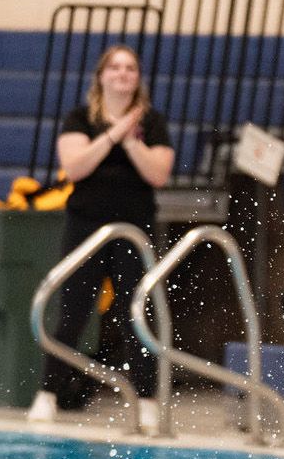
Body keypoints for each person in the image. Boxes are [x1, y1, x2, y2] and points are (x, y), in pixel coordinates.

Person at [25, 45, 175, 430]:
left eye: (130, 68)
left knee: (136, 313)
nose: (123, 74)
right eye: (116, 67)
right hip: (86, 227)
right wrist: (112, 135)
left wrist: (130, 141)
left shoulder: (151, 123)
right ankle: (47, 394)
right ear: (102, 76)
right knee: (73, 311)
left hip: (134, 228)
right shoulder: (81, 118)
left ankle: (146, 401)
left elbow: (158, 173)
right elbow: (74, 167)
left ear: (138, 78)